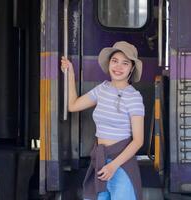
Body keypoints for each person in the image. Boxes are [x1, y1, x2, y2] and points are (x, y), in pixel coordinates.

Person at [61, 41, 144, 200]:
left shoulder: (134, 97)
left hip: (121, 164)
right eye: (115, 61)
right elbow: (73, 105)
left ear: (131, 69)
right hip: (100, 160)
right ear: (109, 63)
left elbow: (138, 141)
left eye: (125, 63)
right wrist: (70, 73)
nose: (118, 67)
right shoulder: (102, 89)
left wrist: (113, 166)